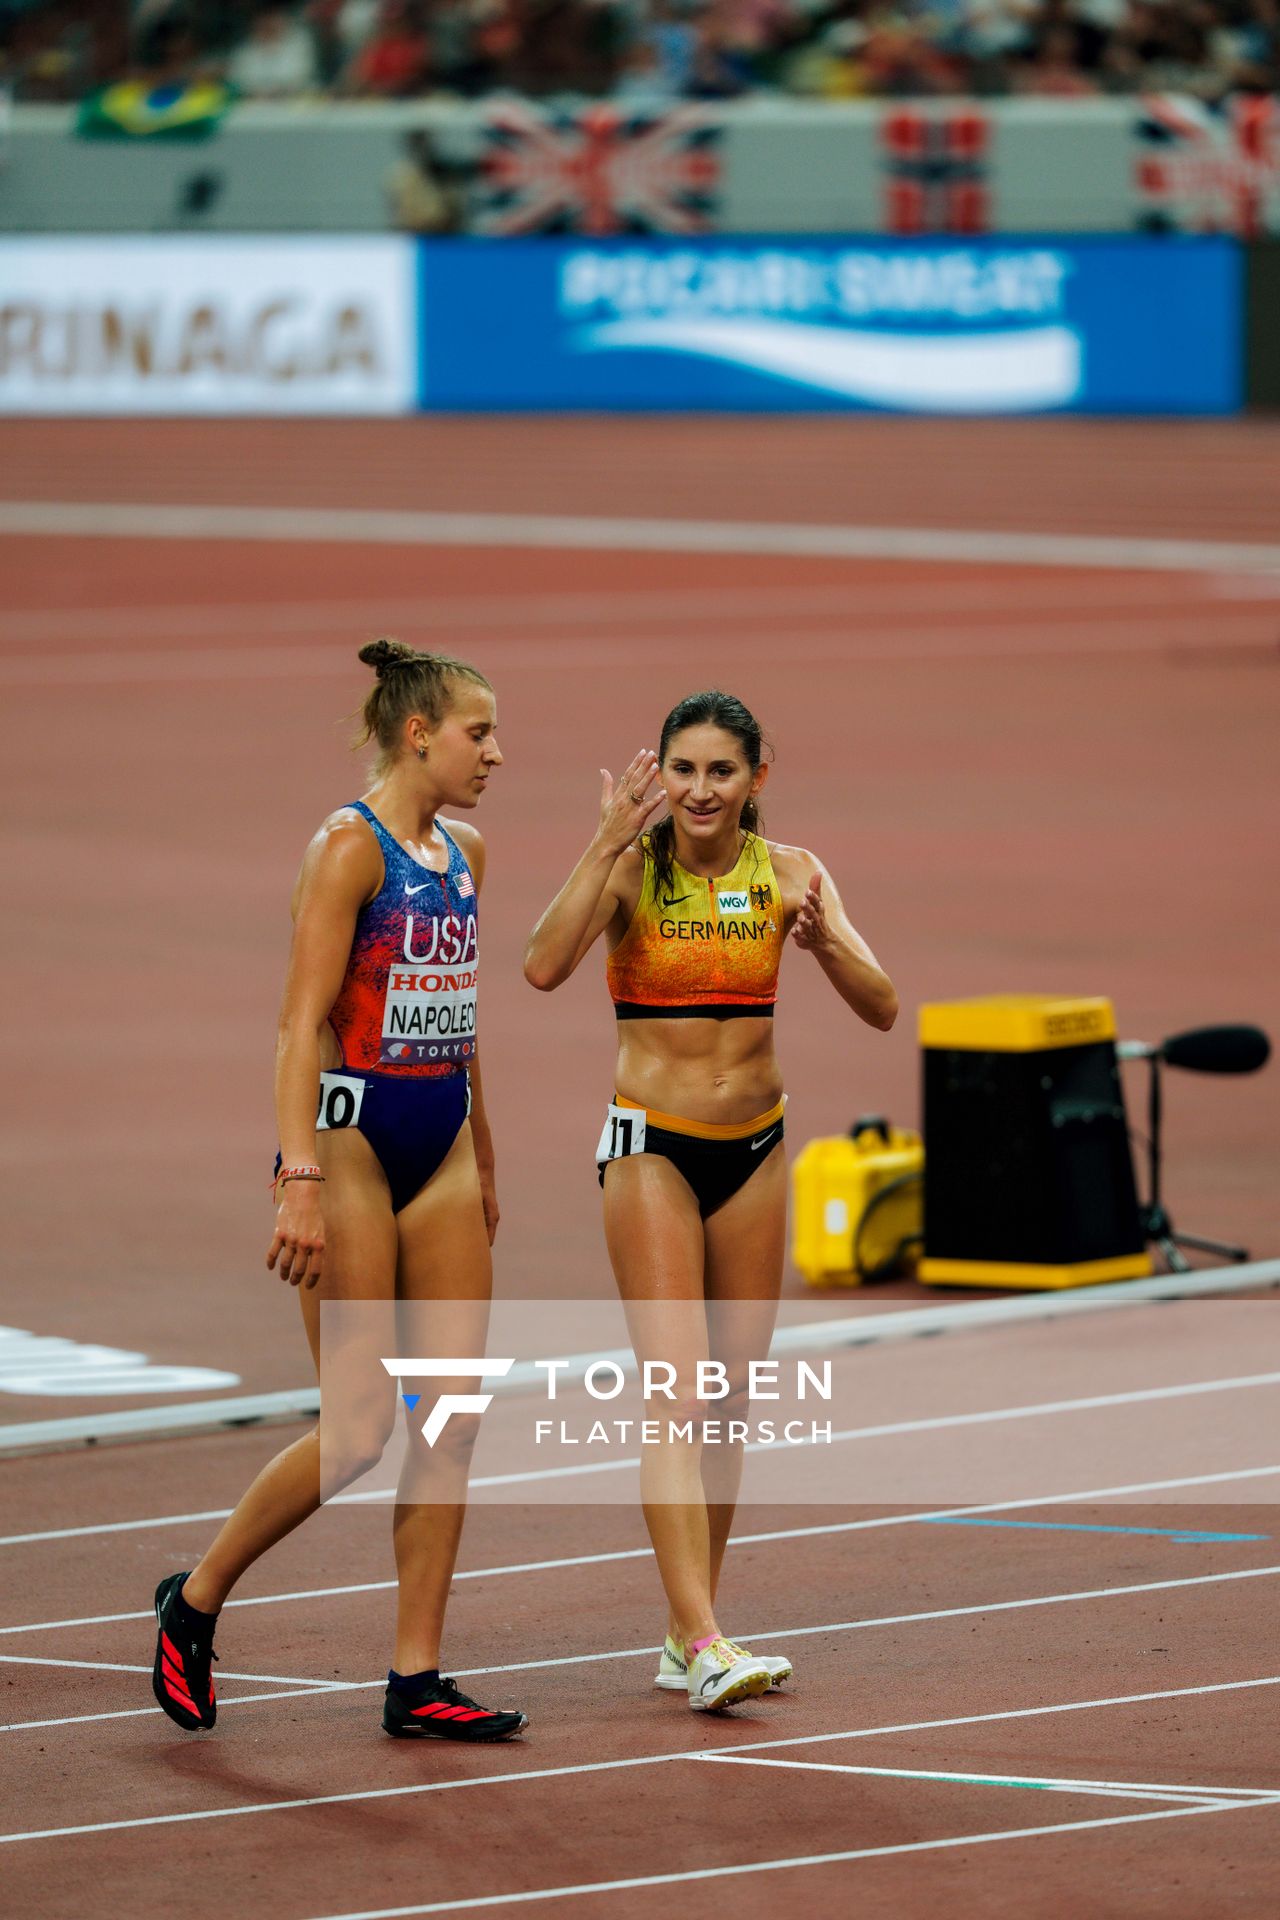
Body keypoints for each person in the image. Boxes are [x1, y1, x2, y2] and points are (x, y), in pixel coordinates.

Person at [151, 638, 528, 1744]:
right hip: (354, 1142)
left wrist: (488, 1148)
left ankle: (417, 1679)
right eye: (479, 733)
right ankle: (198, 1599)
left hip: (445, 1147)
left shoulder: (468, 852)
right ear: (418, 734)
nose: (494, 754)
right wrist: (297, 1180)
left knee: (449, 1415)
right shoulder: (345, 852)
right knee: (361, 1428)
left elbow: (456, 1012)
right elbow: (296, 1024)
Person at [524, 690, 897, 1712]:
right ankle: (700, 1637)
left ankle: (683, 1633)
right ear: (660, 776)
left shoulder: (792, 875)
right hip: (651, 1147)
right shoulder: (631, 873)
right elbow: (541, 965)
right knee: (678, 1391)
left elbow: (882, 1006)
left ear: (753, 780)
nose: (697, 790)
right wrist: (599, 844)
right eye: (680, 770)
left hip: (758, 1151)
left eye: (718, 772)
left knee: (730, 1402)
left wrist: (821, 946)